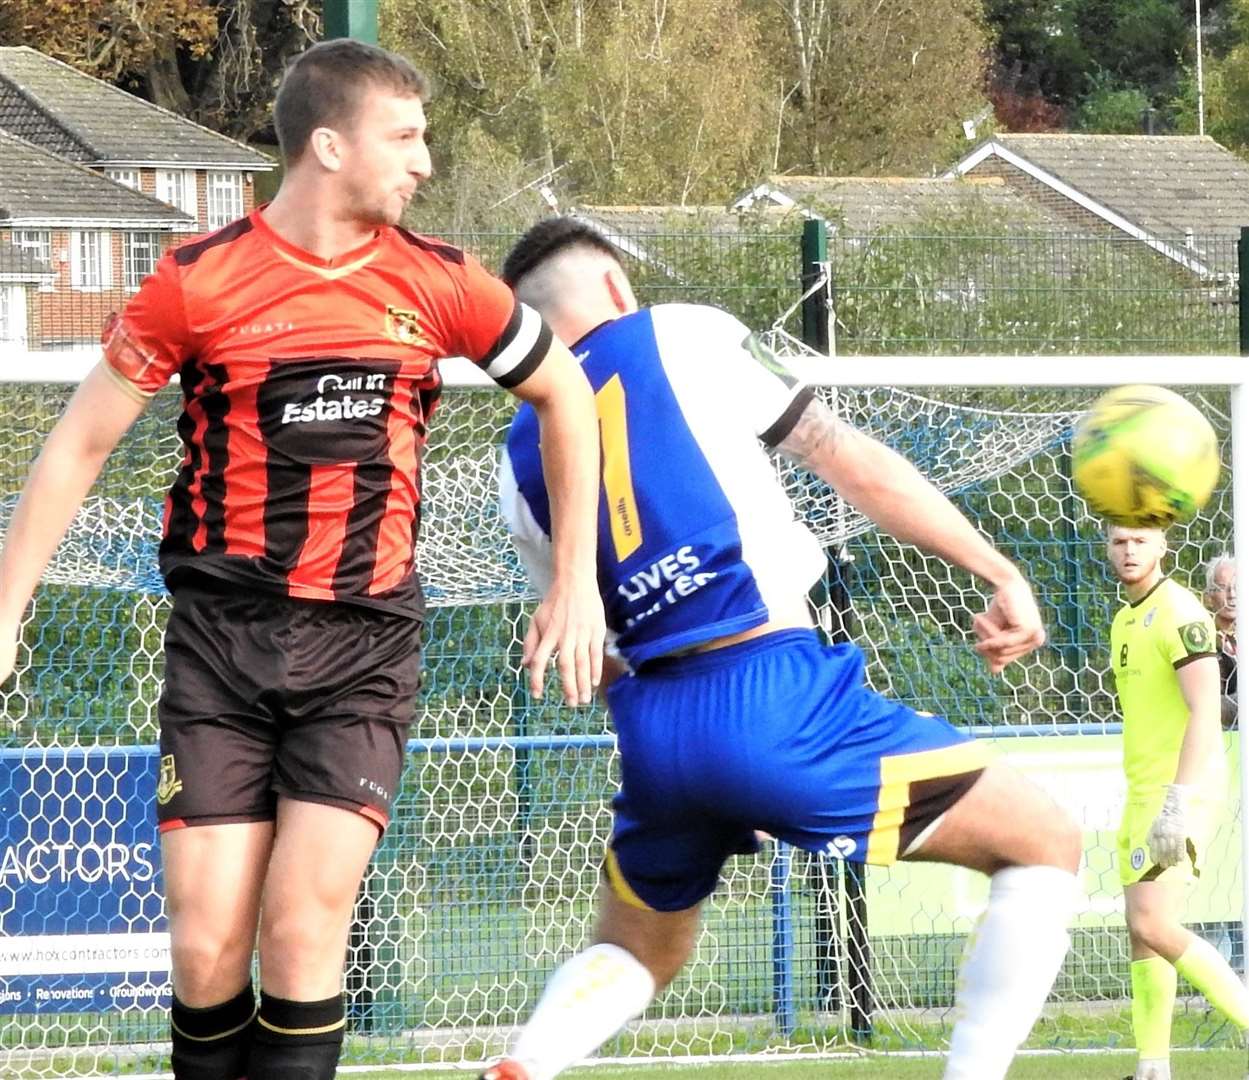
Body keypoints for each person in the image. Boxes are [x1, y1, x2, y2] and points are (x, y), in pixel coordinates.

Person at [0, 41, 604, 1080]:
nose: (423, 162)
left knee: (299, 934)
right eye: (404, 138)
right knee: (202, 950)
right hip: (220, 650)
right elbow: (76, 447)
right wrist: (6, 609)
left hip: (362, 649)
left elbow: (568, 398)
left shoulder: (441, 283)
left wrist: (575, 580)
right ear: (328, 144)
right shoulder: (196, 284)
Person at [482, 216, 1084, 1080]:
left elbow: (592, 640)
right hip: (773, 689)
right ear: (618, 290)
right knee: (1044, 839)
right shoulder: (682, 333)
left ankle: (528, 1063)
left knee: (638, 950)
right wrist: (995, 569)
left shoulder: (517, 462)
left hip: (656, 723)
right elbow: (850, 460)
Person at [1105, 526, 1248, 1080]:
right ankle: (1152, 1068)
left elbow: (1206, 712)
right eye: (1119, 542)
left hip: (1179, 790)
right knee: (1141, 931)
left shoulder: (1180, 611)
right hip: (1144, 790)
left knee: (1156, 923)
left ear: (1164, 547)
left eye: (1141, 541)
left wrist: (1177, 800)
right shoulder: (1123, 619)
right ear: (1108, 548)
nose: (1130, 551)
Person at [1203, 553, 1237, 729]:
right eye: (1223, 587)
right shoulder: (1203, 640)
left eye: (1237, 586)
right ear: (1208, 597)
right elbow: (1206, 705)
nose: (1232, 594)